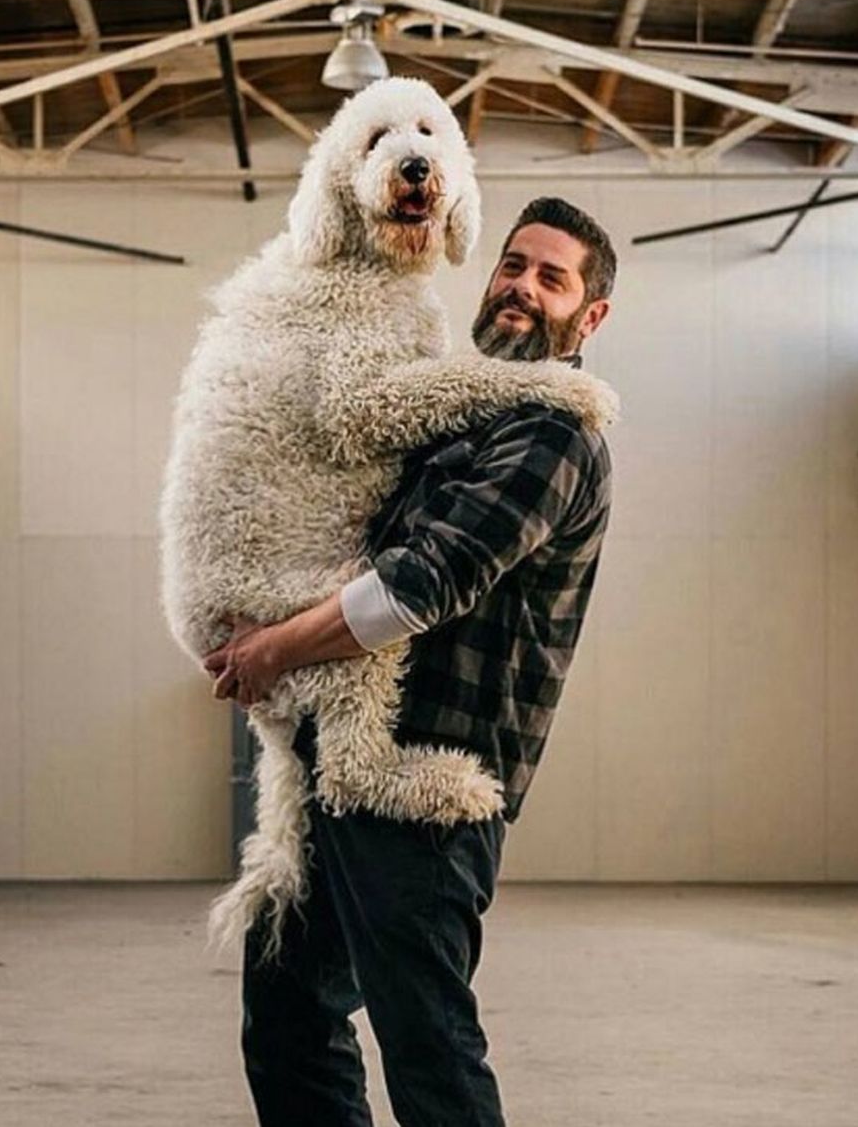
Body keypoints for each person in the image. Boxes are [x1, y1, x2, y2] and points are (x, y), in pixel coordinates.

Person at [202, 196, 617, 1127]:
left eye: (552, 277)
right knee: (288, 1023)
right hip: (328, 777)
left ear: (589, 318)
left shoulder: (552, 435)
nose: (522, 287)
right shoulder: (457, 416)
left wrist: (273, 646)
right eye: (514, 265)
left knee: (427, 1049)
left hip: (428, 787)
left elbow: (418, 585)